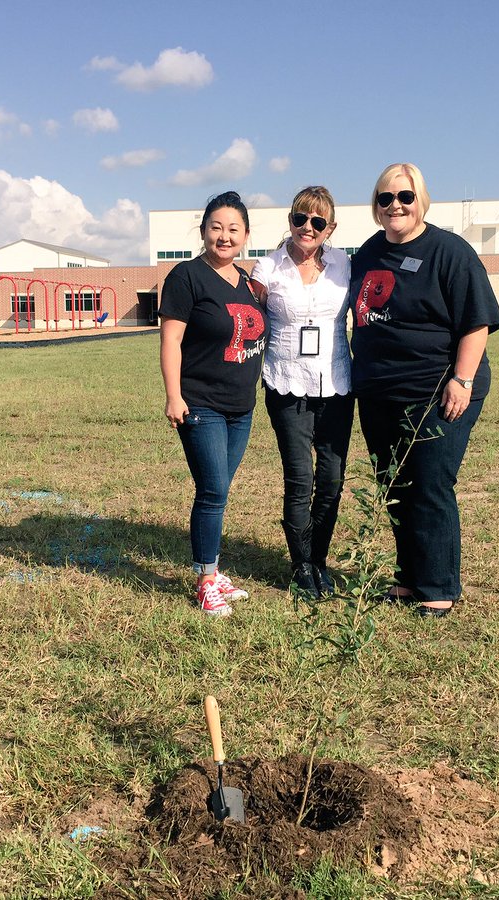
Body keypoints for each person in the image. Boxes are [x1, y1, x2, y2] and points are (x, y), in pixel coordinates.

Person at [349, 163, 499, 617]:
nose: (395, 205)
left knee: (430, 483)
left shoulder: (449, 252)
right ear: (376, 205)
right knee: (394, 483)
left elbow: (476, 321)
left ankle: (438, 587)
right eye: (386, 198)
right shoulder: (369, 252)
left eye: (405, 196)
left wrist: (462, 379)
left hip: (438, 390)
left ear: (421, 200)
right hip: (379, 391)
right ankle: (408, 578)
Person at [159, 191, 267, 617]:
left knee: (219, 492)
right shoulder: (186, 277)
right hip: (201, 404)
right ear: (203, 231)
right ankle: (206, 580)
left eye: (233, 229)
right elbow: (171, 340)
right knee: (212, 491)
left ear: (246, 235)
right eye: (216, 227)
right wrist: (174, 395)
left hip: (242, 407)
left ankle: (213, 571)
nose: (224, 236)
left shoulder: (248, 283)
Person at [251, 186, 353, 597]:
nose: (307, 227)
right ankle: (300, 565)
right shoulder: (267, 268)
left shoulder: (345, 265)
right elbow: (244, 316)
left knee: (331, 479)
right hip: (286, 384)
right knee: (299, 479)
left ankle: (319, 560)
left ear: (330, 227)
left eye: (317, 221)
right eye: (300, 218)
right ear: (290, 220)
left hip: (336, 384)